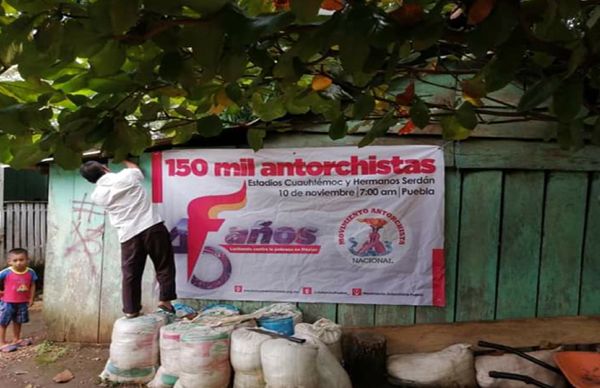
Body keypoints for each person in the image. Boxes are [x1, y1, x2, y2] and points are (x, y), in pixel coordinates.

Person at [80, 160, 176, 318]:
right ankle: (165, 302)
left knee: (131, 274)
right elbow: (136, 169)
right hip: (152, 227)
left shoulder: (97, 196)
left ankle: (131, 310)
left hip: (128, 236)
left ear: (90, 181)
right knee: (164, 265)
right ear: (105, 168)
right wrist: (125, 158)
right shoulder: (126, 176)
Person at [0, 248, 37, 352]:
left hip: (22, 302)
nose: (19, 263)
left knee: (18, 320)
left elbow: (33, 285)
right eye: (15, 260)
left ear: (27, 259)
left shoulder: (30, 272)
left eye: (21, 259)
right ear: (9, 262)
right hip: (7, 302)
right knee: (3, 322)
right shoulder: (6, 272)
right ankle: (1, 343)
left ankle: (16, 339)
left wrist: (31, 298)